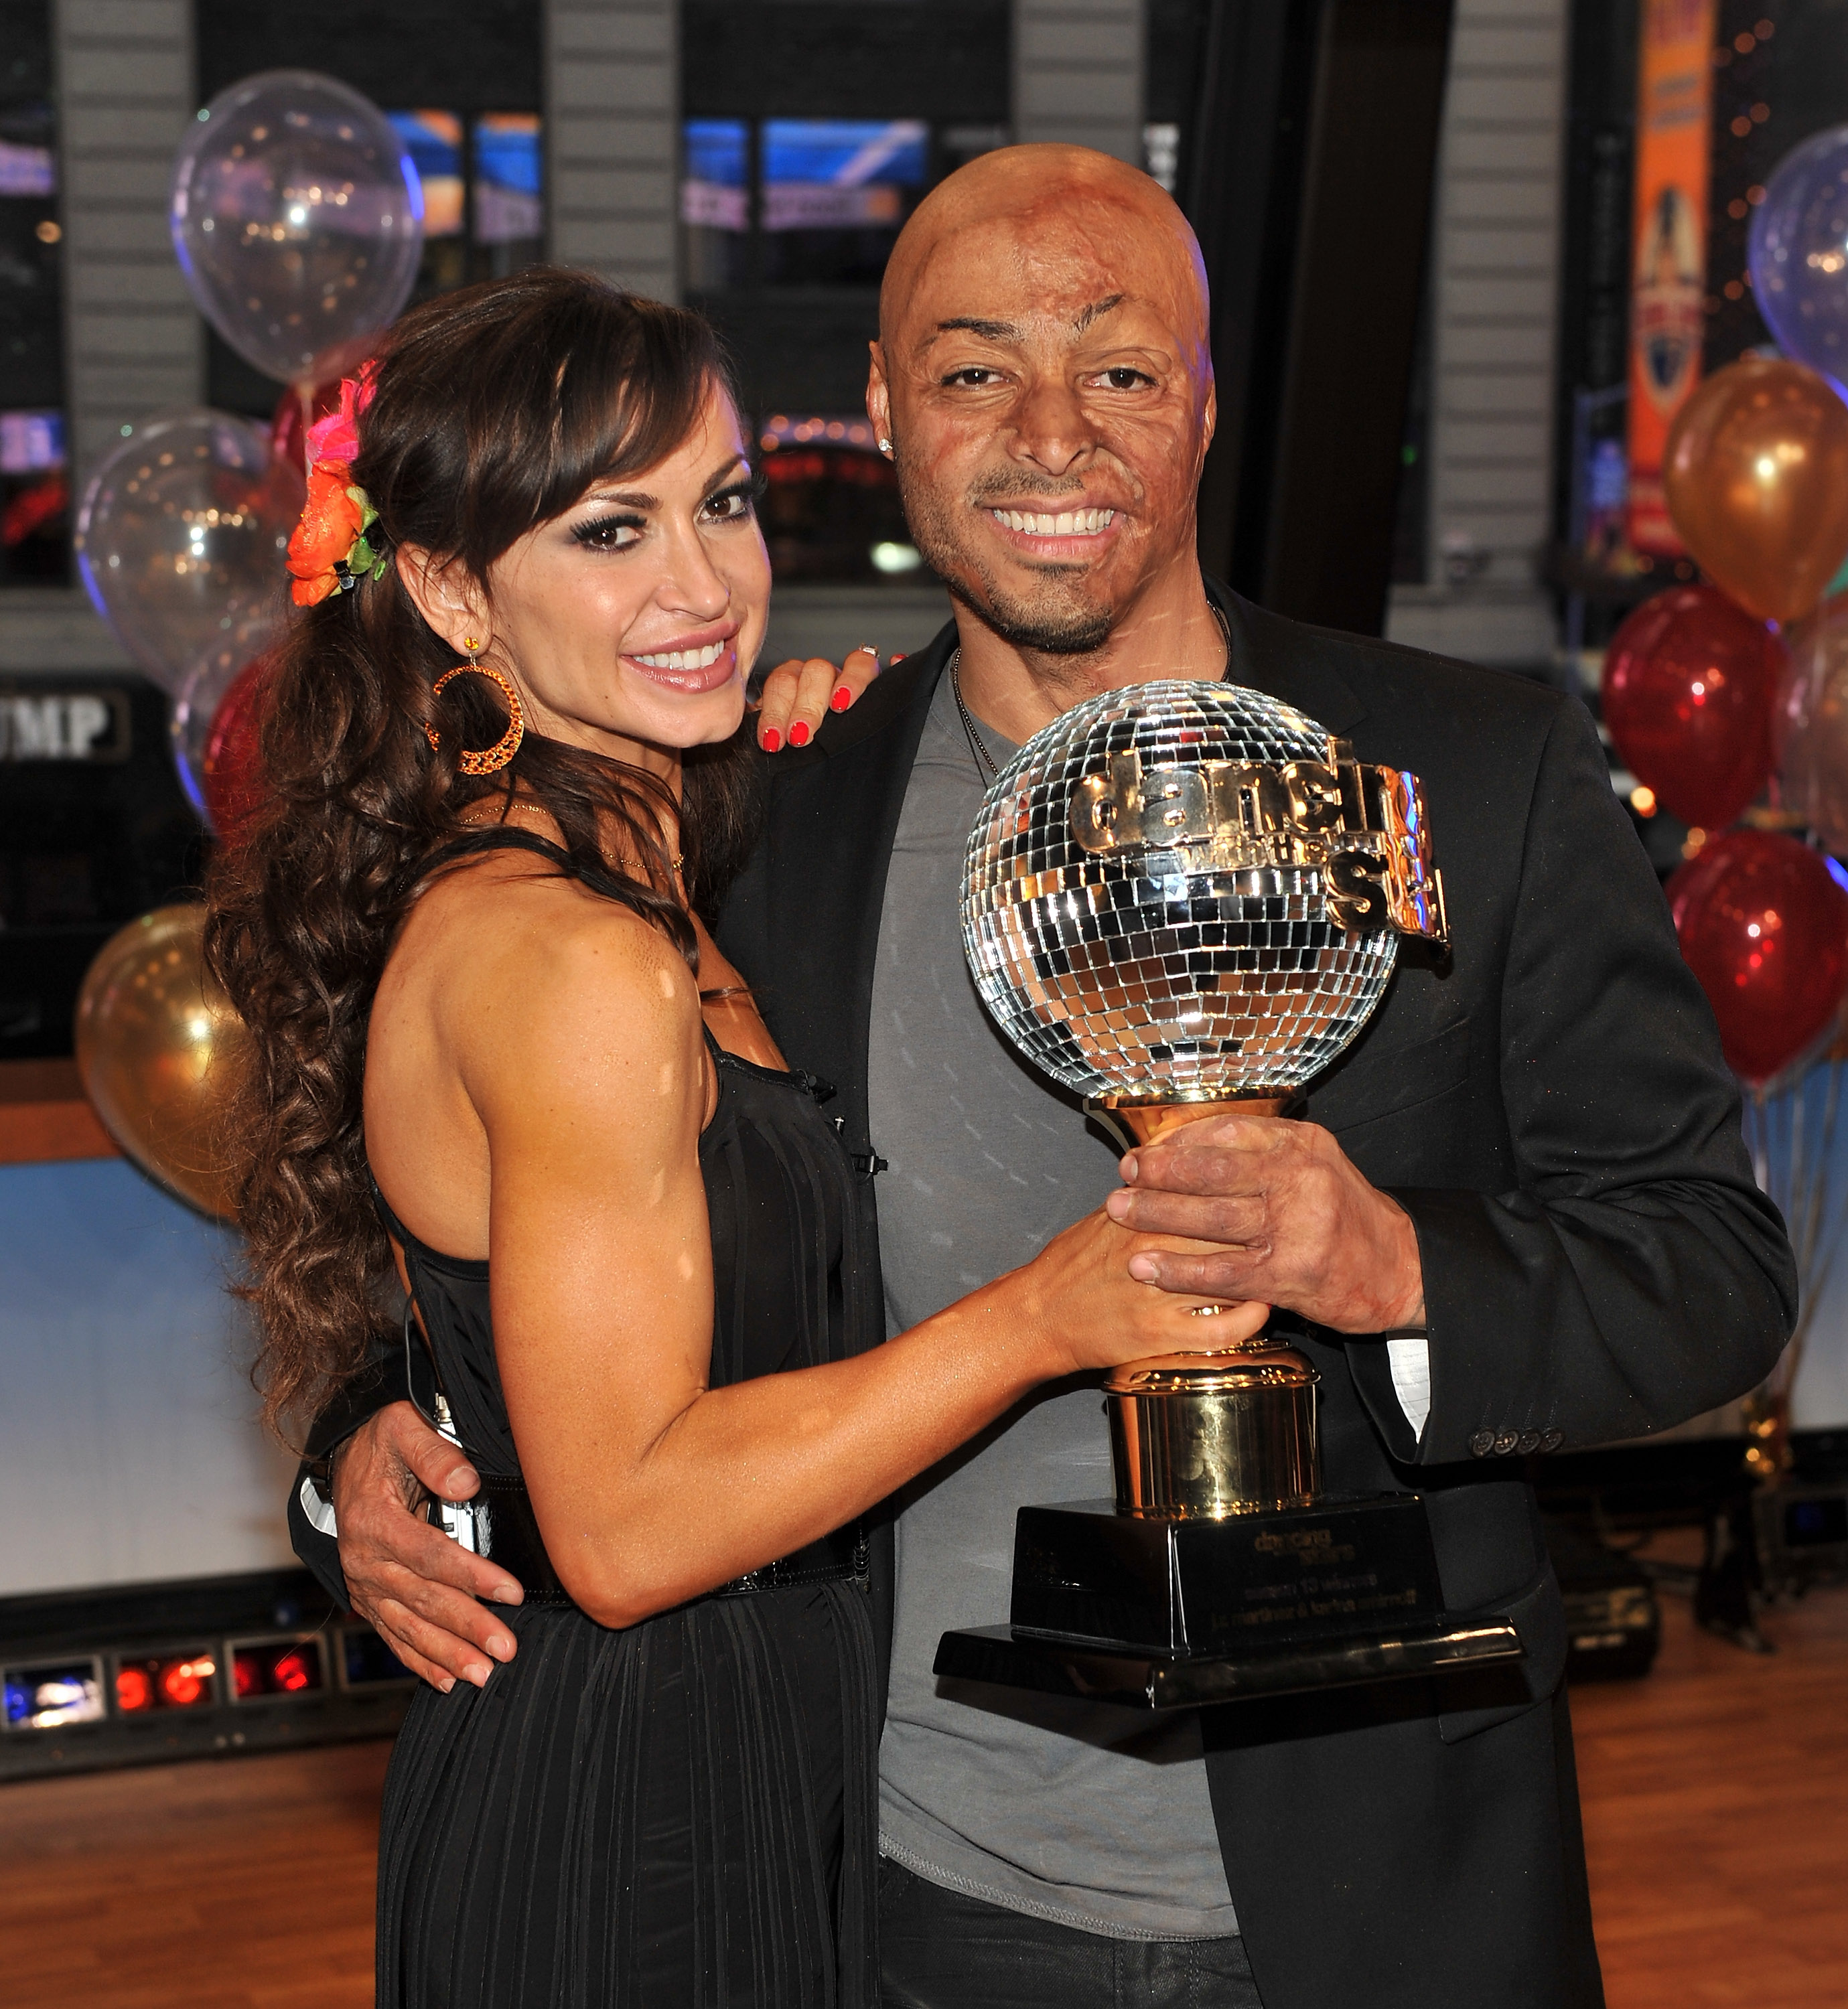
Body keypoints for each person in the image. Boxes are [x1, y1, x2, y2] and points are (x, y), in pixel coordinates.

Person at [300, 151, 1796, 2009]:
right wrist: (373, 1462)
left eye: (1121, 369)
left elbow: (1715, 1273)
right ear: (881, 411)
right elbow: (537, 1233)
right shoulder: (763, 823)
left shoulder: (1466, 776)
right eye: (974, 368)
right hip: (902, 1892)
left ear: (1205, 404)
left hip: (1382, 1903)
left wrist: (1394, 1268)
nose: (1050, 435)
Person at [205, 267, 1267, 2008]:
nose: (703, 585)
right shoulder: (569, 955)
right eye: (610, 535)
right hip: (632, 1816)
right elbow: (619, 1530)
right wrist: (1045, 1320)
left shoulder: (668, 880)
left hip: (772, 1763)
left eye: (723, 504)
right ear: (455, 592)